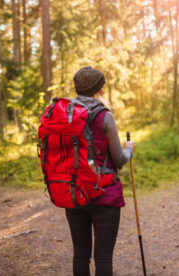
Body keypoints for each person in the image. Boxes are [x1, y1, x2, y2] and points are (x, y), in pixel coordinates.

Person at [64, 66, 136, 276]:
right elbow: (118, 159)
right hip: (104, 195)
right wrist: (129, 150)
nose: (104, 91)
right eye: (101, 87)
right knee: (103, 258)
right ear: (97, 89)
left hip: (74, 192)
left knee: (80, 256)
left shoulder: (65, 113)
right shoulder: (104, 116)